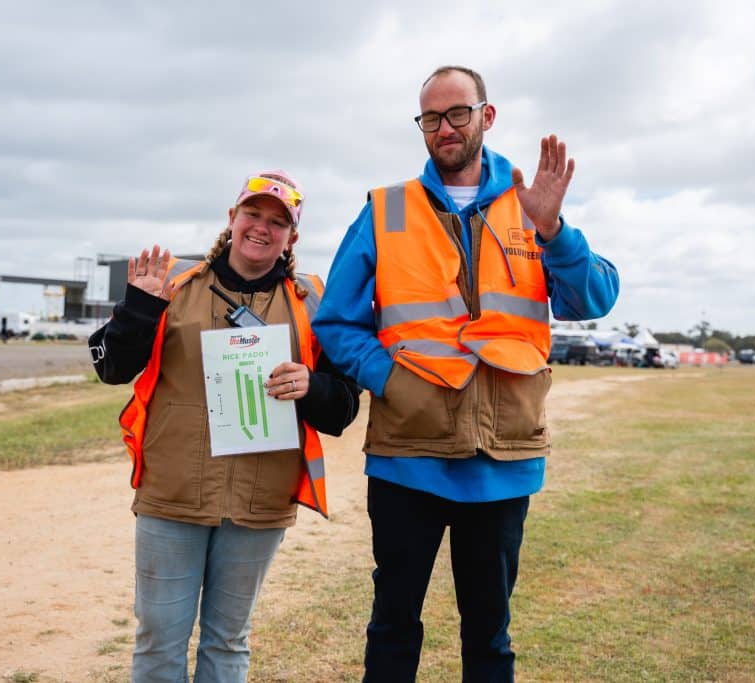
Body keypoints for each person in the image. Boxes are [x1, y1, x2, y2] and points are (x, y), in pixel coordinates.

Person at [312, 66, 620, 681]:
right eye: (431, 118)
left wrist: (553, 232)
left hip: (503, 464)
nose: (445, 128)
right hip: (409, 457)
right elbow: (335, 323)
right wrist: (392, 379)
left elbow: (595, 298)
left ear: (487, 115)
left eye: (457, 113)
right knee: (393, 627)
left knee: (490, 637)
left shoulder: (532, 206)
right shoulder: (384, 209)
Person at [89, 170, 360, 683]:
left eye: (278, 221)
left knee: (228, 641)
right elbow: (110, 368)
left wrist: (312, 385)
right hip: (173, 495)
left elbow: (344, 408)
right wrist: (138, 309)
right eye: (253, 214)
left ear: (292, 237)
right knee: (158, 639)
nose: (262, 227)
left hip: (260, 502)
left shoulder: (312, 303)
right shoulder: (174, 285)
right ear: (232, 218)